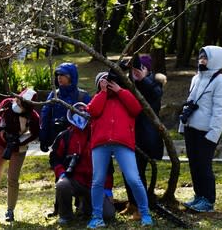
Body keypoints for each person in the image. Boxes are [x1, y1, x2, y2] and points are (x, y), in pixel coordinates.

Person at [86, 72, 153, 228]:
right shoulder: (98, 98)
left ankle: (145, 213)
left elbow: (136, 109)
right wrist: (102, 92)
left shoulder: (124, 96)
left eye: (111, 82)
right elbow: (93, 111)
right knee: (97, 181)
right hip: (100, 144)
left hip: (123, 143)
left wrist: (120, 91)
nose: (108, 85)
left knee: (133, 179)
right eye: (104, 82)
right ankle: (96, 217)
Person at [179, 46, 222, 213]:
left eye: (205, 58)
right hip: (190, 128)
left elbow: (220, 111)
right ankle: (198, 195)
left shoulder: (221, 82)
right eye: (200, 57)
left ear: (215, 59)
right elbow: (189, 102)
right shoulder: (196, 78)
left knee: (204, 166)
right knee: (194, 164)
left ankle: (208, 200)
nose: (201, 60)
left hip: (206, 132)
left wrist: (213, 135)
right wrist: (183, 124)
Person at [49, 103, 116, 226]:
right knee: (62, 185)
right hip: (74, 180)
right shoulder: (65, 136)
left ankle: (85, 206)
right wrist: (61, 173)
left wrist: (107, 190)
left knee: (108, 214)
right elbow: (54, 158)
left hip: (95, 184)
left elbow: (108, 166)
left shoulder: (98, 136)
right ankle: (66, 216)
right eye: (77, 114)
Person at [121, 55, 167, 218]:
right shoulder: (127, 83)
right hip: (128, 134)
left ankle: (142, 207)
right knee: (128, 171)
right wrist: (122, 67)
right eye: (134, 69)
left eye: (140, 68)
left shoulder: (155, 84)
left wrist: (141, 78)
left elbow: (154, 95)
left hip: (146, 136)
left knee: (138, 172)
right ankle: (132, 203)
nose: (136, 72)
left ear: (148, 70)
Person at [0, 88, 40, 222]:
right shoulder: (6, 104)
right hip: (2, 144)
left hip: (19, 148)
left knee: (13, 179)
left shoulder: (33, 117)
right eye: (19, 101)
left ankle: (10, 210)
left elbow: (35, 133)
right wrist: (2, 132)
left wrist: (20, 141)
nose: (19, 105)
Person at [40, 63, 91, 152]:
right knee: (57, 164)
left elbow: (89, 119)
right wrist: (43, 138)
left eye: (62, 74)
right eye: (58, 75)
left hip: (77, 140)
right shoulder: (54, 94)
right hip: (56, 138)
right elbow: (45, 116)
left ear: (71, 76)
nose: (59, 77)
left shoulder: (83, 96)